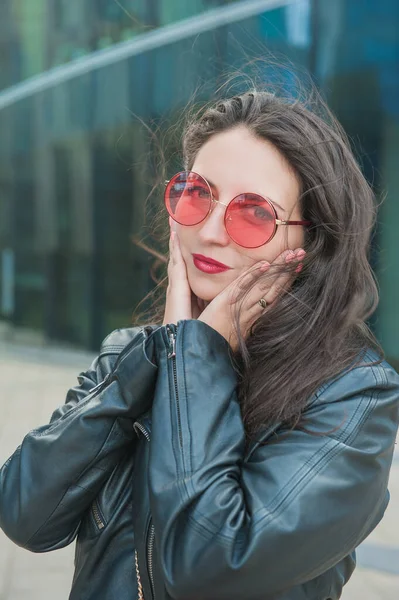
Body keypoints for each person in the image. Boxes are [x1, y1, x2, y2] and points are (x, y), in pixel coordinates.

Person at [1, 89, 398, 600]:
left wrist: (195, 353)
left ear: (309, 242)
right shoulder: (131, 353)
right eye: (198, 193)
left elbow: (207, 563)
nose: (210, 231)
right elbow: (26, 516)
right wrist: (152, 362)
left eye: (254, 213)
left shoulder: (352, 397)